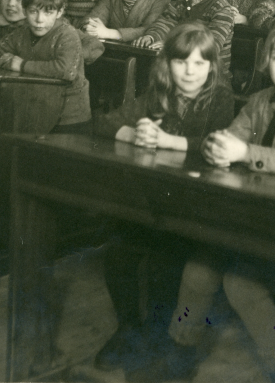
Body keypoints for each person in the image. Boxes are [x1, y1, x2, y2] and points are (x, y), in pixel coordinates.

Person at [128, 20, 275, 383]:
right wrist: (217, 148)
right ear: (267, 61)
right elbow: (227, 139)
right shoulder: (261, 101)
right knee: (199, 267)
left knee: (239, 280)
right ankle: (181, 351)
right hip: (252, 217)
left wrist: (243, 152)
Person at [91, 23, 235, 371]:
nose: (189, 71)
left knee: (164, 263)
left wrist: (170, 143)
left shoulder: (220, 99)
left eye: (199, 64)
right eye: (181, 62)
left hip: (199, 206)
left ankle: (156, 336)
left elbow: (220, 146)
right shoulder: (158, 95)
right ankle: (129, 328)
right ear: (166, 64)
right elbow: (103, 122)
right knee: (119, 255)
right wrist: (132, 132)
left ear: (212, 68)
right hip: (156, 201)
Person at [0, 0, 102, 134]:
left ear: (59, 12)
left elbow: (66, 71)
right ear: (24, 11)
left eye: (48, 12)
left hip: (69, 120)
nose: (39, 19)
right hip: (36, 112)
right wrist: (4, 60)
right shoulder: (22, 32)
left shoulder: (67, 33)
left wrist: (22, 65)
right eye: (33, 11)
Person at [135, 0, 236, 82]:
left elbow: (210, 46)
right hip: (179, 71)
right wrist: (151, 36)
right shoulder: (176, 5)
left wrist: (171, 46)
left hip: (212, 77)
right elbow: (163, 24)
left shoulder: (222, 8)